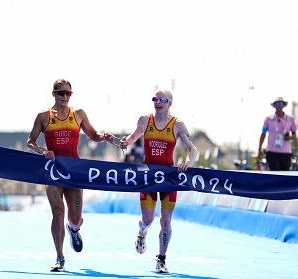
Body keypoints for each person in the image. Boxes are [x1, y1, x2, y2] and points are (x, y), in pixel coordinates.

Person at [27, 78, 115, 272]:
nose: (65, 96)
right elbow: (30, 142)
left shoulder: (79, 114)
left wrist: (105, 137)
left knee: (74, 218)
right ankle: (60, 258)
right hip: (53, 172)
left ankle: (74, 229)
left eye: (68, 93)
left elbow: (93, 135)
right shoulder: (43, 116)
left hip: (74, 172)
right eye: (61, 93)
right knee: (58, 212)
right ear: (54, 94)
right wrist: (43, 151)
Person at [119, 89, 198, 273]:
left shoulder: (177, 124)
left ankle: (161, 259)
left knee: (166, 220)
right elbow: (132, 138)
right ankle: (142, 232)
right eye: (155, 98)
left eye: (162, 99)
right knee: (148, 218)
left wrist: (188, 163)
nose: (158, 102)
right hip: (148, 176)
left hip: (169, 178)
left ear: (169, 103)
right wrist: (125, 143)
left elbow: (193, 149)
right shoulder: (145, 120)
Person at [258, 97, 297, 171]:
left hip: (286, 152)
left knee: (285, 175)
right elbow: (263, 134)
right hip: (272, 151)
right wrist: (259, 149)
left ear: (284, 105)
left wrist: (288, 137)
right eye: (276, 103)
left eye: (281, 103)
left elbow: (294, 135)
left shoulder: (290, 119)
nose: (279, 105)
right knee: (275, 173)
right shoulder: (268, 119)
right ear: (274, 105)